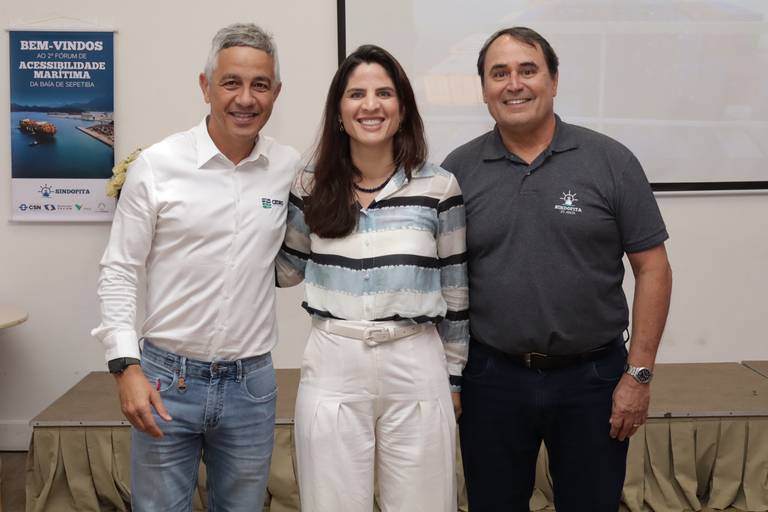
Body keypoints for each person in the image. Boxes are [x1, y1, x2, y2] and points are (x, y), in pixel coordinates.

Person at [441, 27, 673, 511]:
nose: (514, 84)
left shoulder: (611, 161)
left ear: (554, 80)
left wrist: (639, 375)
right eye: (499, 73)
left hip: (593, 379)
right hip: (491, 379)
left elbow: (653, 269)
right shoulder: (457, 172)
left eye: (528, 70)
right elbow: (443, 282)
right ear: (483, 89)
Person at [91, 23, 299, 511]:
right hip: (165, 381)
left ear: (276, 93)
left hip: (251, 385)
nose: (245, 98)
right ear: (205, 87)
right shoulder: (157, 165)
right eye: (231, 83)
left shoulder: (288, 167)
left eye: (260, 85)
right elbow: (120, 268)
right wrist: (125, 366)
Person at [277, 44, 468, 511]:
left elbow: (455, 290)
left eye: (384, 93)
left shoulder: (439, 186)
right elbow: (286, 271)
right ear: (339, 112)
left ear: (402, 109)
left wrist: (454, 378)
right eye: (356, 94)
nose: (370, 105)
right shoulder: (308, 184)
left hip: (416, 360)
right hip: (334, 359)